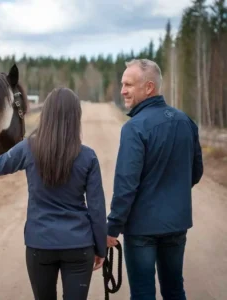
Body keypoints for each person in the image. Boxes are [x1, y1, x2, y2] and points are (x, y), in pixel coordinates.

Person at [0, 87, 107, 300]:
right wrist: (101, 248)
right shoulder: (88, 157)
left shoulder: (28, 148)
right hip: (79, 246)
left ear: (46, 114)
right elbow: (97, 209)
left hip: (40, 245)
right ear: (76, 118)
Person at [107, 59, 203, 299]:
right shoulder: (186, 122)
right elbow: (196, 172)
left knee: (142, 293)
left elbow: (125, 185)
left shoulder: (134, 128)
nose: (122, 90)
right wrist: (173, 192)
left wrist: (112, 227)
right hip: (176, 225)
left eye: (128, 84)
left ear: (149, 87)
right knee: (174, 289)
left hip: (141, 230)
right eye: (122, 84)